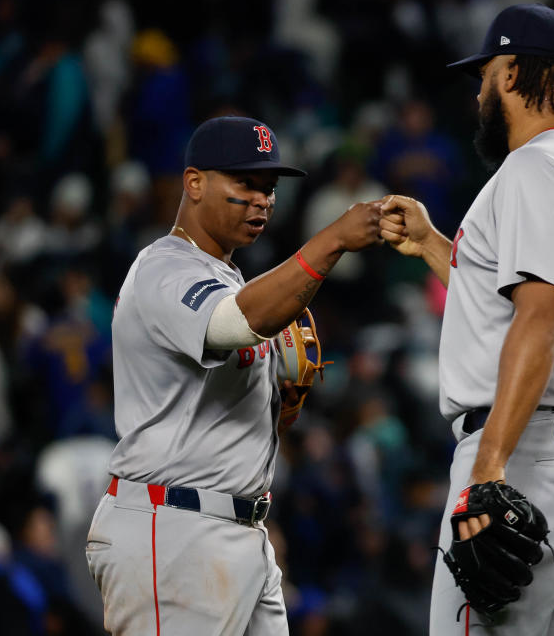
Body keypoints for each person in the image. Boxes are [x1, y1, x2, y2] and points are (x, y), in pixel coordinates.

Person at [379, 4, 554, 635]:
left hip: (540, 444)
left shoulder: (535, 167)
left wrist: (490, 465)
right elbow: (515, 300)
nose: (479, 90)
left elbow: (544, 315)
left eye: (488, 72)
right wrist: (432, 246)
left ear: (521, 75)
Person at [85, 115, 383, 635]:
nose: (263, 199)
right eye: (245, 183)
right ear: (194, 183)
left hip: (239, 533)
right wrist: (332, 239)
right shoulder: (164, 267)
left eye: (268, 188)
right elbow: (236, 322)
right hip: (173, 532)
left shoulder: (228, 275)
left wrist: (277, 401)